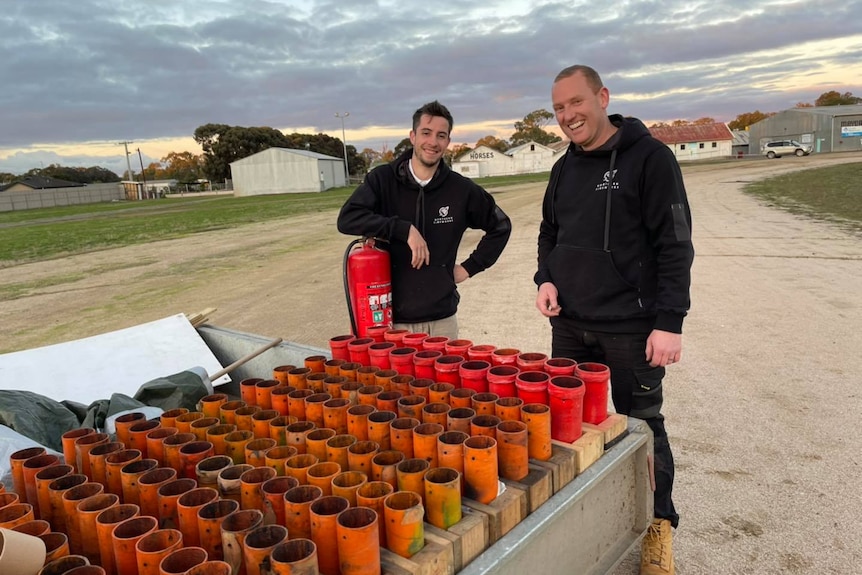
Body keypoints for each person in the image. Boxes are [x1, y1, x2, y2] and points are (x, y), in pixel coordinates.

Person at [534, 65, 694, 575]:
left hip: (633, 326)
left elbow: (675, 243)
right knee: (573, 431)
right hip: (571, 326)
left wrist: (670, 321)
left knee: (643, 429)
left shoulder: (650, 158)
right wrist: (546, 279)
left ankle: (657, 530)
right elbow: (548, 232)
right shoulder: (563, 168)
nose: (568, 116)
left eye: (576, 103)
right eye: (559, 108)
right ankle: (589, 526)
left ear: (602, 97)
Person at [337, 100, 511, 339]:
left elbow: (500, 226)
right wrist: (402, 229)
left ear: (448, 142)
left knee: (444, 378)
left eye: (441, 135)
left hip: (442, 322)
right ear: (412, 136)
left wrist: (469, 268)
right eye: (426, 133)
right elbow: (347, 218)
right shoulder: (382, 180)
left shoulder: (461, 189)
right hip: (390, 323)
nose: (433, 142)